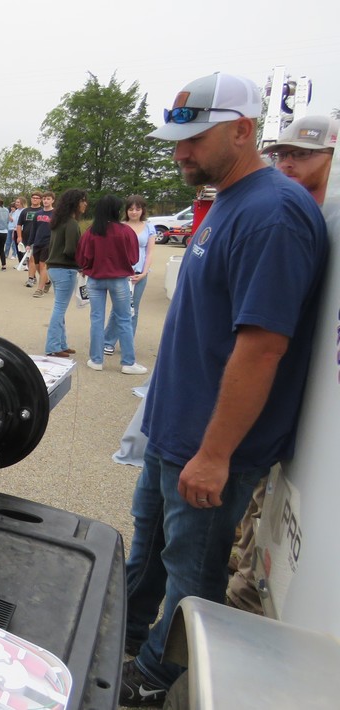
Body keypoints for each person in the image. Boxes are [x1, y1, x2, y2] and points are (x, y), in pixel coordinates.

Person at [119, 72, 329, 706]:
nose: (180, 153)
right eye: (176, 140)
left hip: (211, 447)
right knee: (149, 549)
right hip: (174, 433)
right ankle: (122, 629)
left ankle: (155, 678)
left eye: (195, 139)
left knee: (193, 573)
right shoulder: (231, 200)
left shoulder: (273, 214)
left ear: (242, 131)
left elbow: (262, 348)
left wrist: (214, 454)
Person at [223, 114, 338, 614]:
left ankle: (245, 591)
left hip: (303, 400)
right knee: (263, 503)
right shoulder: (303, 212)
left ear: (332, 157)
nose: (288, 163)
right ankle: (242, 570)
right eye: (282, 154)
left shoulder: (308, 217)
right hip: (287, 399)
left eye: (303, 154)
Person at [76, 194, 146, 375]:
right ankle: (128, 362)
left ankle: (96, 360)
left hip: (95, 279)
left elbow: (82, 258)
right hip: (119, 279)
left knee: (96, 319)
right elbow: (134, 258)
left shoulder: (91, 232)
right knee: (124, 319)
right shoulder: (125, 231)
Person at [102, 194, 158, 355]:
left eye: (137, 209)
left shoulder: (149, 227)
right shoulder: (119, 226)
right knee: (118, 308)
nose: (134, 212)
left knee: (134, 308)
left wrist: (144, 272)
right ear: (126, 210)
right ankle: (108, 341)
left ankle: (127, 342)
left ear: (143, 210)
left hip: (140, 274)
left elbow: (150, 252)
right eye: (131, 209)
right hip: (121, 274)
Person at [43, 189, 87, 356]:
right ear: (75, 203)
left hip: (54, 268)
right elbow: (70, 250)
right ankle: (53, 346)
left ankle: (61, 343)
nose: (85, 204)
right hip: (65, 269)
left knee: (59, 307)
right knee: (60, 309)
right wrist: (82, 263)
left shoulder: (58, 221)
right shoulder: (71, 223)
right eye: (82, 200)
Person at [30, 191, 55, 297]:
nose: (46, 201)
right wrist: (29, 243)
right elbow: (33, 229)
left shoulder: (56, 214)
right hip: (37, 242)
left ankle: (39, 289)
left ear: (53, 200)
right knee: (37, 266)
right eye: (44, 199)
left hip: (48, 243)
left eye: (48, 199)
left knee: (43, 265)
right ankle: (47, 282)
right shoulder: (38, 214)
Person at [17, 191, 43, 286]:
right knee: (28, 258)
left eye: (37, 198)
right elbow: (19, 224)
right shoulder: (25, 211)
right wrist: (19, 236)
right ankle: (33, 276)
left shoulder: (42, 211)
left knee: (33, 258)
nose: (35, 199)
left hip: (38, 239)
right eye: (33, 197)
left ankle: (31, 279)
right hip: (26, 238)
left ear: (40, 200)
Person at [6, 196, 25, 263]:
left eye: (18, 202)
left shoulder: (24, 211)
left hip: (22, 231)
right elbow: (14, 222)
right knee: (18, 247)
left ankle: (25, 263)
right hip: (15, 230)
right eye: (16, 202)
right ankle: (20, 262)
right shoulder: (16, 211)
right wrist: (14, 233)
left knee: (23, 247)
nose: (16, 203)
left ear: (22, 203)